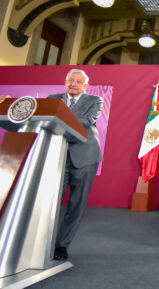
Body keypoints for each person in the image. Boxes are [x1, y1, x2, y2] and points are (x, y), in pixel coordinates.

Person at [48, 69, 104, 261]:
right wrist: (8, 101)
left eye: (79, 81)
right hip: (58, 155)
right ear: (65, 82)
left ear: (85, 86)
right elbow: (36, 111)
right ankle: (42, 241)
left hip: (85, 156)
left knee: (76, 204)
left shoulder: (95, 101)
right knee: (51, 201)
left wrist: (56, 119)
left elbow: (86, 122)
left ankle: (62, 244)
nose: (74, 84)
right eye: (70, 80)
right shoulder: (52, 99)